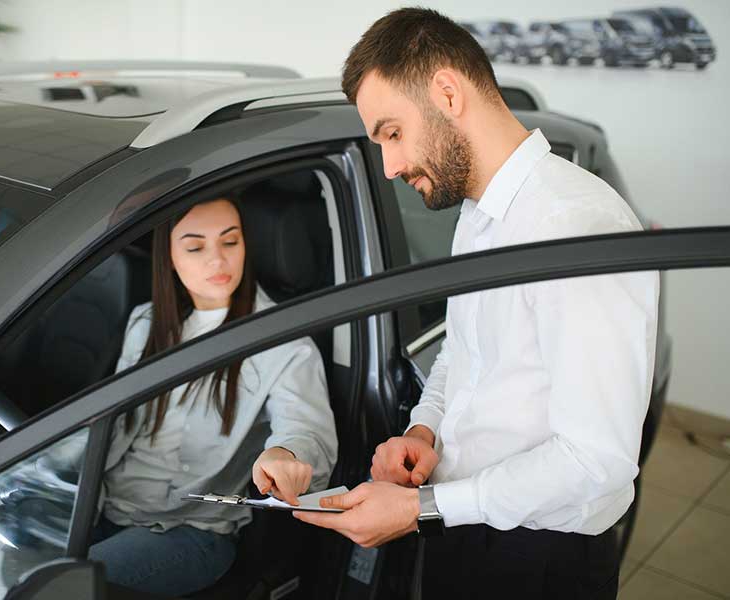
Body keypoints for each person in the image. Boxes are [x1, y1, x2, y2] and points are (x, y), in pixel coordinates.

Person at [295, 8, 658, 599]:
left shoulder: (576, 226)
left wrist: (422, 509)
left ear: (446, 92)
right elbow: (462, 352)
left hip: (538, 555)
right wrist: (424, 432)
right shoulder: (478, 211)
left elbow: (596, 459)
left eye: (392, 133)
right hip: (465, 522)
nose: (389, 166)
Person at [89, 196, 338, 596]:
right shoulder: (147, 323)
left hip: (190, 532)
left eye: (230, 242)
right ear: (168, 256)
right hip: (106, 506)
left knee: (64, 586)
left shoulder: (284, 344)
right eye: (195, 247)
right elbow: (109, 431)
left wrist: (285, 456)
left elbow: (305, 430)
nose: (218, 261)